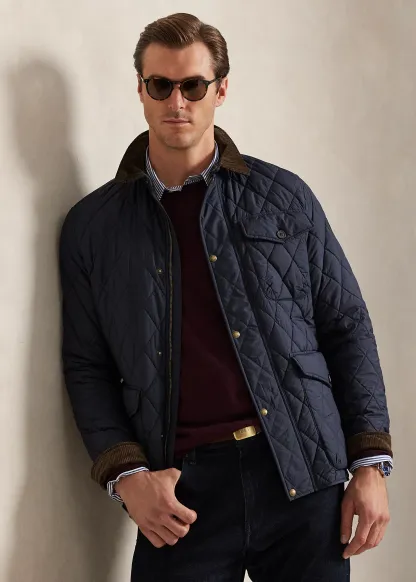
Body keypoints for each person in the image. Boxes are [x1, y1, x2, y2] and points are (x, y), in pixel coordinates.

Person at [58, 12, 393, 582]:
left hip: (300, 475)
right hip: (181, 495)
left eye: (193, 85)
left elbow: (346, 325)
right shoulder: (94, 227)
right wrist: (127, 475)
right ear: (140, 90)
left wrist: (369, 464)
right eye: (160, 85)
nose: (177, 102)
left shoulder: (283, 197)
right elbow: (87, 366)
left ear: (221, 90)